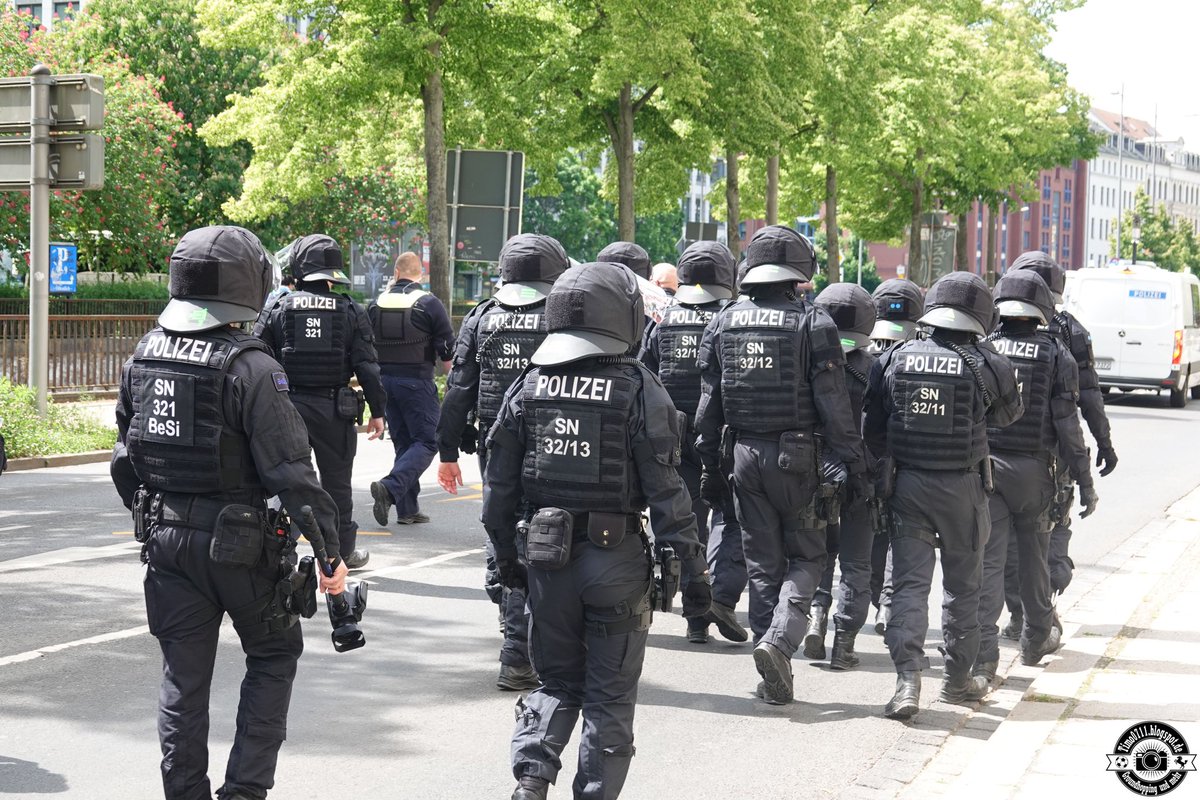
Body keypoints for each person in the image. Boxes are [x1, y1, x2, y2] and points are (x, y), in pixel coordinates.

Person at [110, 225, 348, 800]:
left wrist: (158, 514)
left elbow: (125, 461)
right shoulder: (253, 369)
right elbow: (292, 475)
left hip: (166, 542)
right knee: (273, 655)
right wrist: (330, 555)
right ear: (249, 287)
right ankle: (244, 792)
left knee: (182, 683)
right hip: (242, 548)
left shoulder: (144, 355)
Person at [482, 263, 710, 800]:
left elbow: (498, 489)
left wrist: (506, 565)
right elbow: (668, 494)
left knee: (556, 683)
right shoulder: (639, 389)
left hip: (545, 557)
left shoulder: (528, 386)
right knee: (608, 699)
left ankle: (532, 780)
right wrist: (696, 574)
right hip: (616, 564)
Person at [694, 225, 870, 705]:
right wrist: (853, 465)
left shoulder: (724, 321)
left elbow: (709, 406)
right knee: (809, 557)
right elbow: (834, 404)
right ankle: (778, 643)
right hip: (800, 460)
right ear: (798, 275)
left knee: (761, 563)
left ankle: (772, 661)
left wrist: (709, 465)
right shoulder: (814, 324)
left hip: (742, 457)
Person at [864, 271, 1023, 720]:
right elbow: (1009, 416)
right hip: (964, 490)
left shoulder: (894, 357)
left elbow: (872, 430)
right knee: (963, 588)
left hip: (908, 486)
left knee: (908, 587)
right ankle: (956, 683)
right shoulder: (986, 362)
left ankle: (907, 684)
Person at [436, 232, 569, 691]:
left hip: (495, 446)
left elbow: (458, 392)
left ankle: (509, 612)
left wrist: (448, 453)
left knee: (501, 530)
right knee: (543, 538)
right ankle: (519, 646)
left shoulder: (482, 318)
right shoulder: (561, 314)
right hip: (551, 442)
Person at [974, 270, 1099, 687]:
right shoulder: (1057, 354)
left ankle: (985, 655)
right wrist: (1084, 480)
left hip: (989, 471)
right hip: (1036, 473)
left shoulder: (984, 348)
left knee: (990, 563)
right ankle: (1034, 638)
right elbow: (1068, 426)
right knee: (1034, 559)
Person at [254, 234, 386, 569]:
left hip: (286, 409)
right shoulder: (350, 310)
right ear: (333, 274)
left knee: (286, 480)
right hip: (334, 410)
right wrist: (378, 412)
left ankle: (272, 547)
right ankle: (342, 552)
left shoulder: (278, 308)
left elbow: (254, 357)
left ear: (298, 270)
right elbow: (367, 367)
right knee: (337, 483)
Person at [640, 241, 748, 644]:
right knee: (731, 518)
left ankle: (695, 616)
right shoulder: (736, 318)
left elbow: (645, 377)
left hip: (673, 436)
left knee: (687, 522)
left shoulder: (663, 320)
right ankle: (720, 597)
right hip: (724, 437)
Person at [1005, 251, 1117, 634]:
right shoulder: (1071, 331)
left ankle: (1022, 615)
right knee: (1050, 533)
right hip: (1053, 458)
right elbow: (1088, 395)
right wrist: (1102, 442)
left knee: (1006, 541)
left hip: (997, 456)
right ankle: (1040, 613)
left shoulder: (993, 326)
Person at [806, 283, 879, 670]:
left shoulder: (807, 363)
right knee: (856, 563)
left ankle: (816, 616)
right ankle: (844, 643)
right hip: (861, 477)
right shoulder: (876, 367)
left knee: (818, 553)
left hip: (814, 474)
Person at [367, 251, 455, 525]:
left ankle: (407, 509)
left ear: (395, 273)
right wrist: (455, 386)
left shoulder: (375, 304)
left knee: (405, 443)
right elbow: (447, 353)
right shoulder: (428, 303)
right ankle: (391, 488)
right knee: (428, 441)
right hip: (416, 382)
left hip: (384, 383)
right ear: (422, 275)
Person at [866, 278, 925, 634]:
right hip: (904, 462)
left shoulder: (859, 349)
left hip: (863, 458)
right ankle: (885, 603)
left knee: (868, 535)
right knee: (896, 537)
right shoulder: (922, 355)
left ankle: (874, 600)